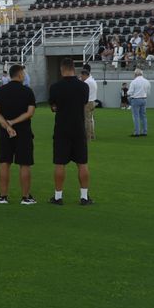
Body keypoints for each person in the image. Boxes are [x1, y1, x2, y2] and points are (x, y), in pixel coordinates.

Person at [0, 63, 37, 205]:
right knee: (25, 164)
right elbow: (30, 113)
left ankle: (3, 196)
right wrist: (13, 123)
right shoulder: (28, 92)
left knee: (4, 162)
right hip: (24, 132)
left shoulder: (1, 91)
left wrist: (7, 125)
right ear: (21, 75)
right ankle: (25, 197)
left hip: (4, 132)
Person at [46, 58, 92, 206]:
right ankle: (84, 197)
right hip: (78, 128)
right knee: (82, 163)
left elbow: (54, 106)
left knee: (60, 163)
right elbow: (83, 103)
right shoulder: (84, 87)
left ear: (61, 69)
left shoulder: (55, 87)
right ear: (74, 69)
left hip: (61, 128)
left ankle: (58, 196)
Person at [126, 68, 151, 137]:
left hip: (135, 99)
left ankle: (137, 132)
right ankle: (144, 131)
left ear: (135, 74)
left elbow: (130, 92)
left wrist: (128, 93)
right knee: (143, 116)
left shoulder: (134, 81)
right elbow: (148, 91)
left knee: (136, 116)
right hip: (144, 99)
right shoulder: (147, 81)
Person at [80, 62, 97, 141]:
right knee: (90, 120)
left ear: (85, 74)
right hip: (93, 101)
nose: (81, 77)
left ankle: (88, 136)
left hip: (87, 102)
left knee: (87, 120)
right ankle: (92, 135)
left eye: (82, 76)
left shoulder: (87, 82)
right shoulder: (92, 80)